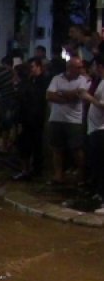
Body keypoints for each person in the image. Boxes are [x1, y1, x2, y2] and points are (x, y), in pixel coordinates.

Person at [46, 56, 90, 185]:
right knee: (57, 149)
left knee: (77, 149)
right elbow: (49, 95)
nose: (81, 69)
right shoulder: (57, 78)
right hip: (56, 118)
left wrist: (60, 93)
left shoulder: (83, 80)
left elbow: (79, 95)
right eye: (78, 67)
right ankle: (59, 175)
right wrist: (68, 96)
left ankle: (81, 176)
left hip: (74, 120)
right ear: (70, 68)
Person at [79, 54, 104, 202]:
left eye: (94, 66)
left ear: (100, 67)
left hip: (101, 129)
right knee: (96, 163)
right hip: (95, 128)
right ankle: (98, 191)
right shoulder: (99, 81)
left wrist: (89, 98)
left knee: (101, 164)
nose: (92, 68)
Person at [0, 55, 18, 154]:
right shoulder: (7, 69)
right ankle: (10, 142)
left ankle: (4, 146)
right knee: (12, 121)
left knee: (4, 122)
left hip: (5, 99)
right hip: (14, 98)